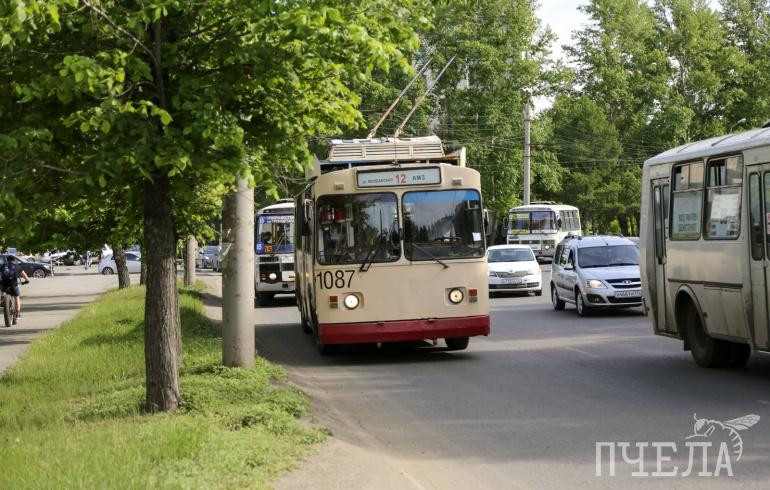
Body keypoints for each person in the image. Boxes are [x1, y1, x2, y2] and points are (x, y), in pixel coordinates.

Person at [1, 256, 30, 324]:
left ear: (7, 261)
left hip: (4, 284)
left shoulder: (3, 266)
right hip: (13, 284)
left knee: (1, 289)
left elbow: (0, 275)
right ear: (14, 260)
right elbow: (24, 275)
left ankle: (2, 299)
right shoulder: (17, 266)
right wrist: (26, 280)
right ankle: (17, 313)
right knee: (17, 297)